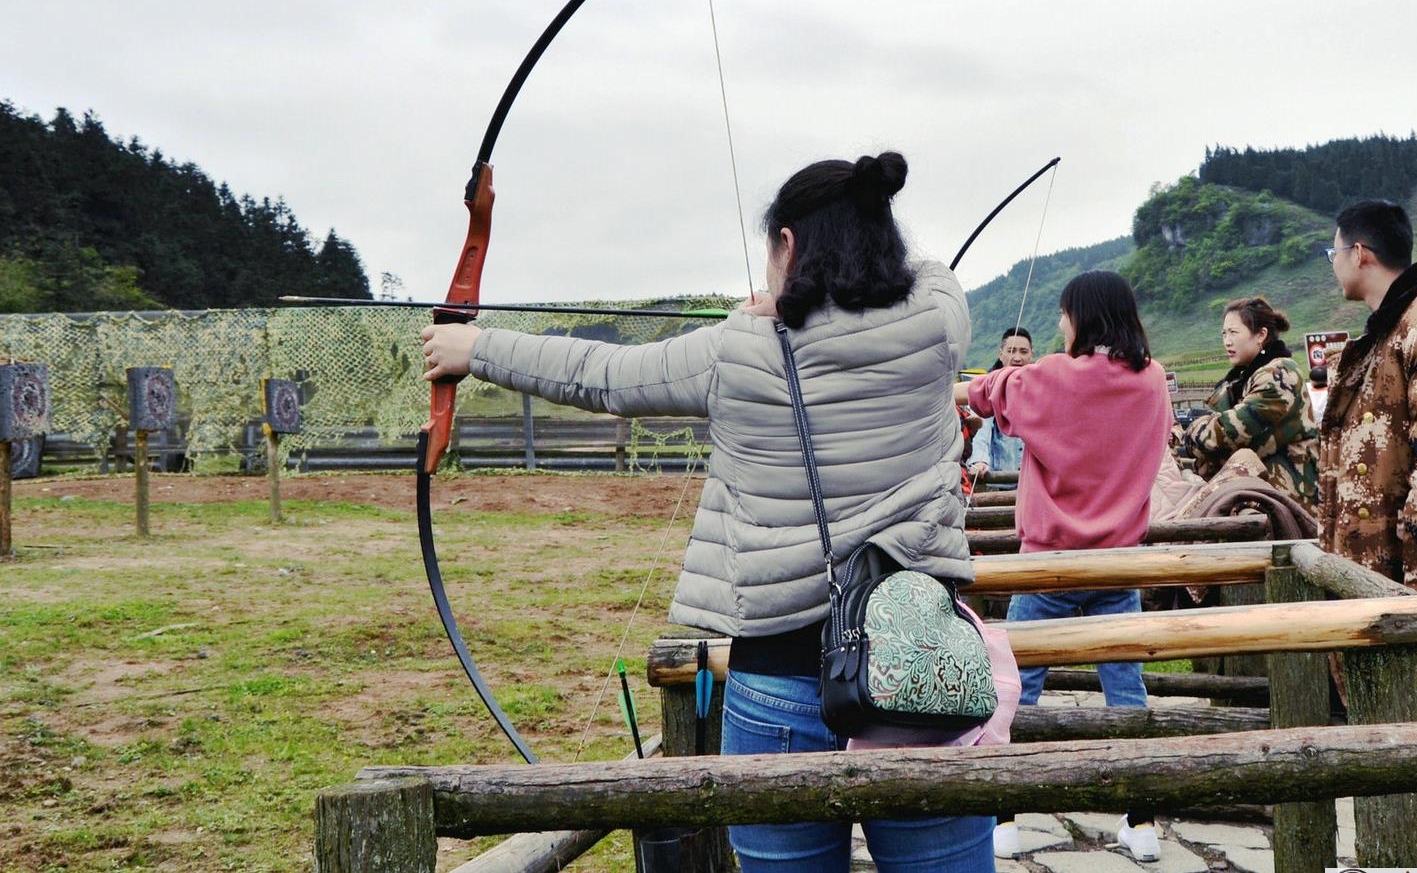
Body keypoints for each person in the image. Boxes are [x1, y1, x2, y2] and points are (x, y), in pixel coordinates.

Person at [423, 151, 994, 872]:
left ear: (788, 245)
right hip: (923, 679)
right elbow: (935, 272)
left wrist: (471, 346)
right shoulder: (941, 325)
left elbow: (600, 377)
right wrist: (809, 290)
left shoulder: (736, 350)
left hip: (781, 683)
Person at [954, 270, 1171, 863]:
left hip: (1046, 565)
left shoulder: (1049, 375)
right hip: (1117, 566)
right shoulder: (1151, 381)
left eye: (1064, 314)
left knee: (1016, 691)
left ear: (1083, 317)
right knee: (1127, 694)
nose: (1058, 325)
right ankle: (1142, 822)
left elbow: (980, 393)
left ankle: (1004, 818)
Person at [1320, 199, 1417, 864]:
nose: (1331, 261)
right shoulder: (1387, 329)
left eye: (1334, 249)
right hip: (1376, 581)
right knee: (1405, 733)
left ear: (1363, 254)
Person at [1177, 297, 1319, 510]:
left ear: (1261, 335)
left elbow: (1227, 433)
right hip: (1258, 496)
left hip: (1288, 497)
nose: (1227, 341)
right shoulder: (1240, 380)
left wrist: (1193, 430)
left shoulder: (1279, 373)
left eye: (1234, 332)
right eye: (1224, 334)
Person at [966, 327, 1031, 489]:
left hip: (1031, 483)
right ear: (1001, 353)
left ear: (1031, 354)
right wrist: (979, 461)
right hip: (1000, 481)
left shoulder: (1037, 390)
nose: (1017, 357)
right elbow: (982, 430)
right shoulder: (989, 389)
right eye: (1011, 351)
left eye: (1023, 351)